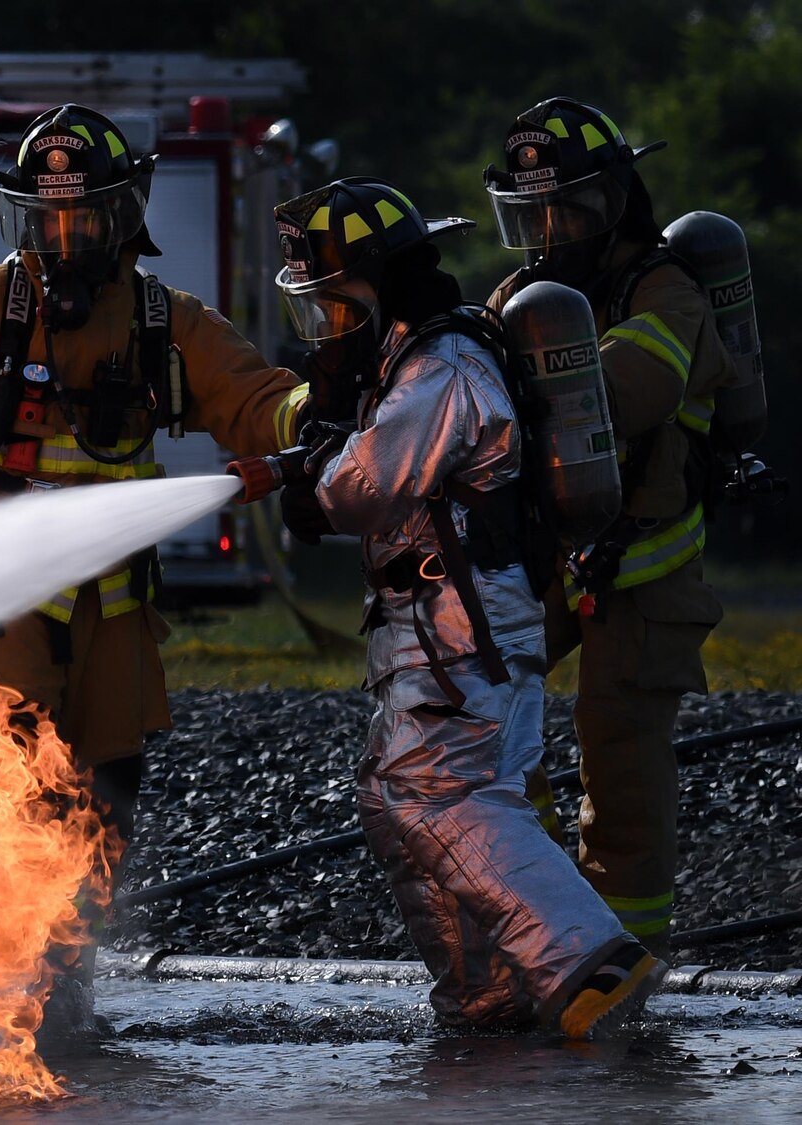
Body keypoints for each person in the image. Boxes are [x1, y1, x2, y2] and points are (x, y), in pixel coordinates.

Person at [0, 102, 309, 1041]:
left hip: (114, 616)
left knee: (106, 805)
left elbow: (255, 397)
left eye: (83, 218)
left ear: (121, 215)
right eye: (45, 219)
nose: (63, 241)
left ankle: (66, 989)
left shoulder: (163, 321)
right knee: (12, 790)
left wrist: (314, 417)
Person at [272, 176, 665, 1038]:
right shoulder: (410, 361)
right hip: (436, 630)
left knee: (441, 792)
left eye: (336, 311)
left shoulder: (443, 366)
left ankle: (591, 958)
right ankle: (486, 998)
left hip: (461, 630)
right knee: (393, 795)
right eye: (316, 318)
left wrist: (316, 481)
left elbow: (365, 486)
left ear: (385, 287)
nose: (327, 338)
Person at [484, 98, 731, 957]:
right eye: (530, 215)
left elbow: (633, 385)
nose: (550, 232)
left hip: (647, 565)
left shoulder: (664, 288)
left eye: (569, 210)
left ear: (617, 200)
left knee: (620, 760)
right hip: (551, 557)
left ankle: (627, 958)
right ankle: (546, 911)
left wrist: (534, 379)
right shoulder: (520, 295)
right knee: (483, 707)